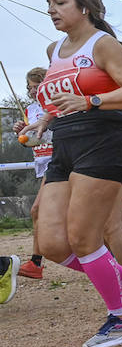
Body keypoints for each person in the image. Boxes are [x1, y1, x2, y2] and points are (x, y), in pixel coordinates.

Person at [26, 0, 122, 347]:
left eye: (59, 2)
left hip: (104, 142)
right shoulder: (55, 49)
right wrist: (46, 118)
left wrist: (91, 103)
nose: (51, 9)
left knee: (85, 238)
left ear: (84, 6)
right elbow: (60, 97)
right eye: (48, 3)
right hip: (65, 146)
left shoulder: (103, 44)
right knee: (52, 242)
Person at [14, 68, 53, 280]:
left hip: (59, 162)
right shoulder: (30, 109)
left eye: (35, 85)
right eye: (29, 87)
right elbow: (31, 143)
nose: (32, 91)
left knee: (37, 210)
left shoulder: (56, 104)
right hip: (43, 164)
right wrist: (22, 132)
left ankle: (36, 262)